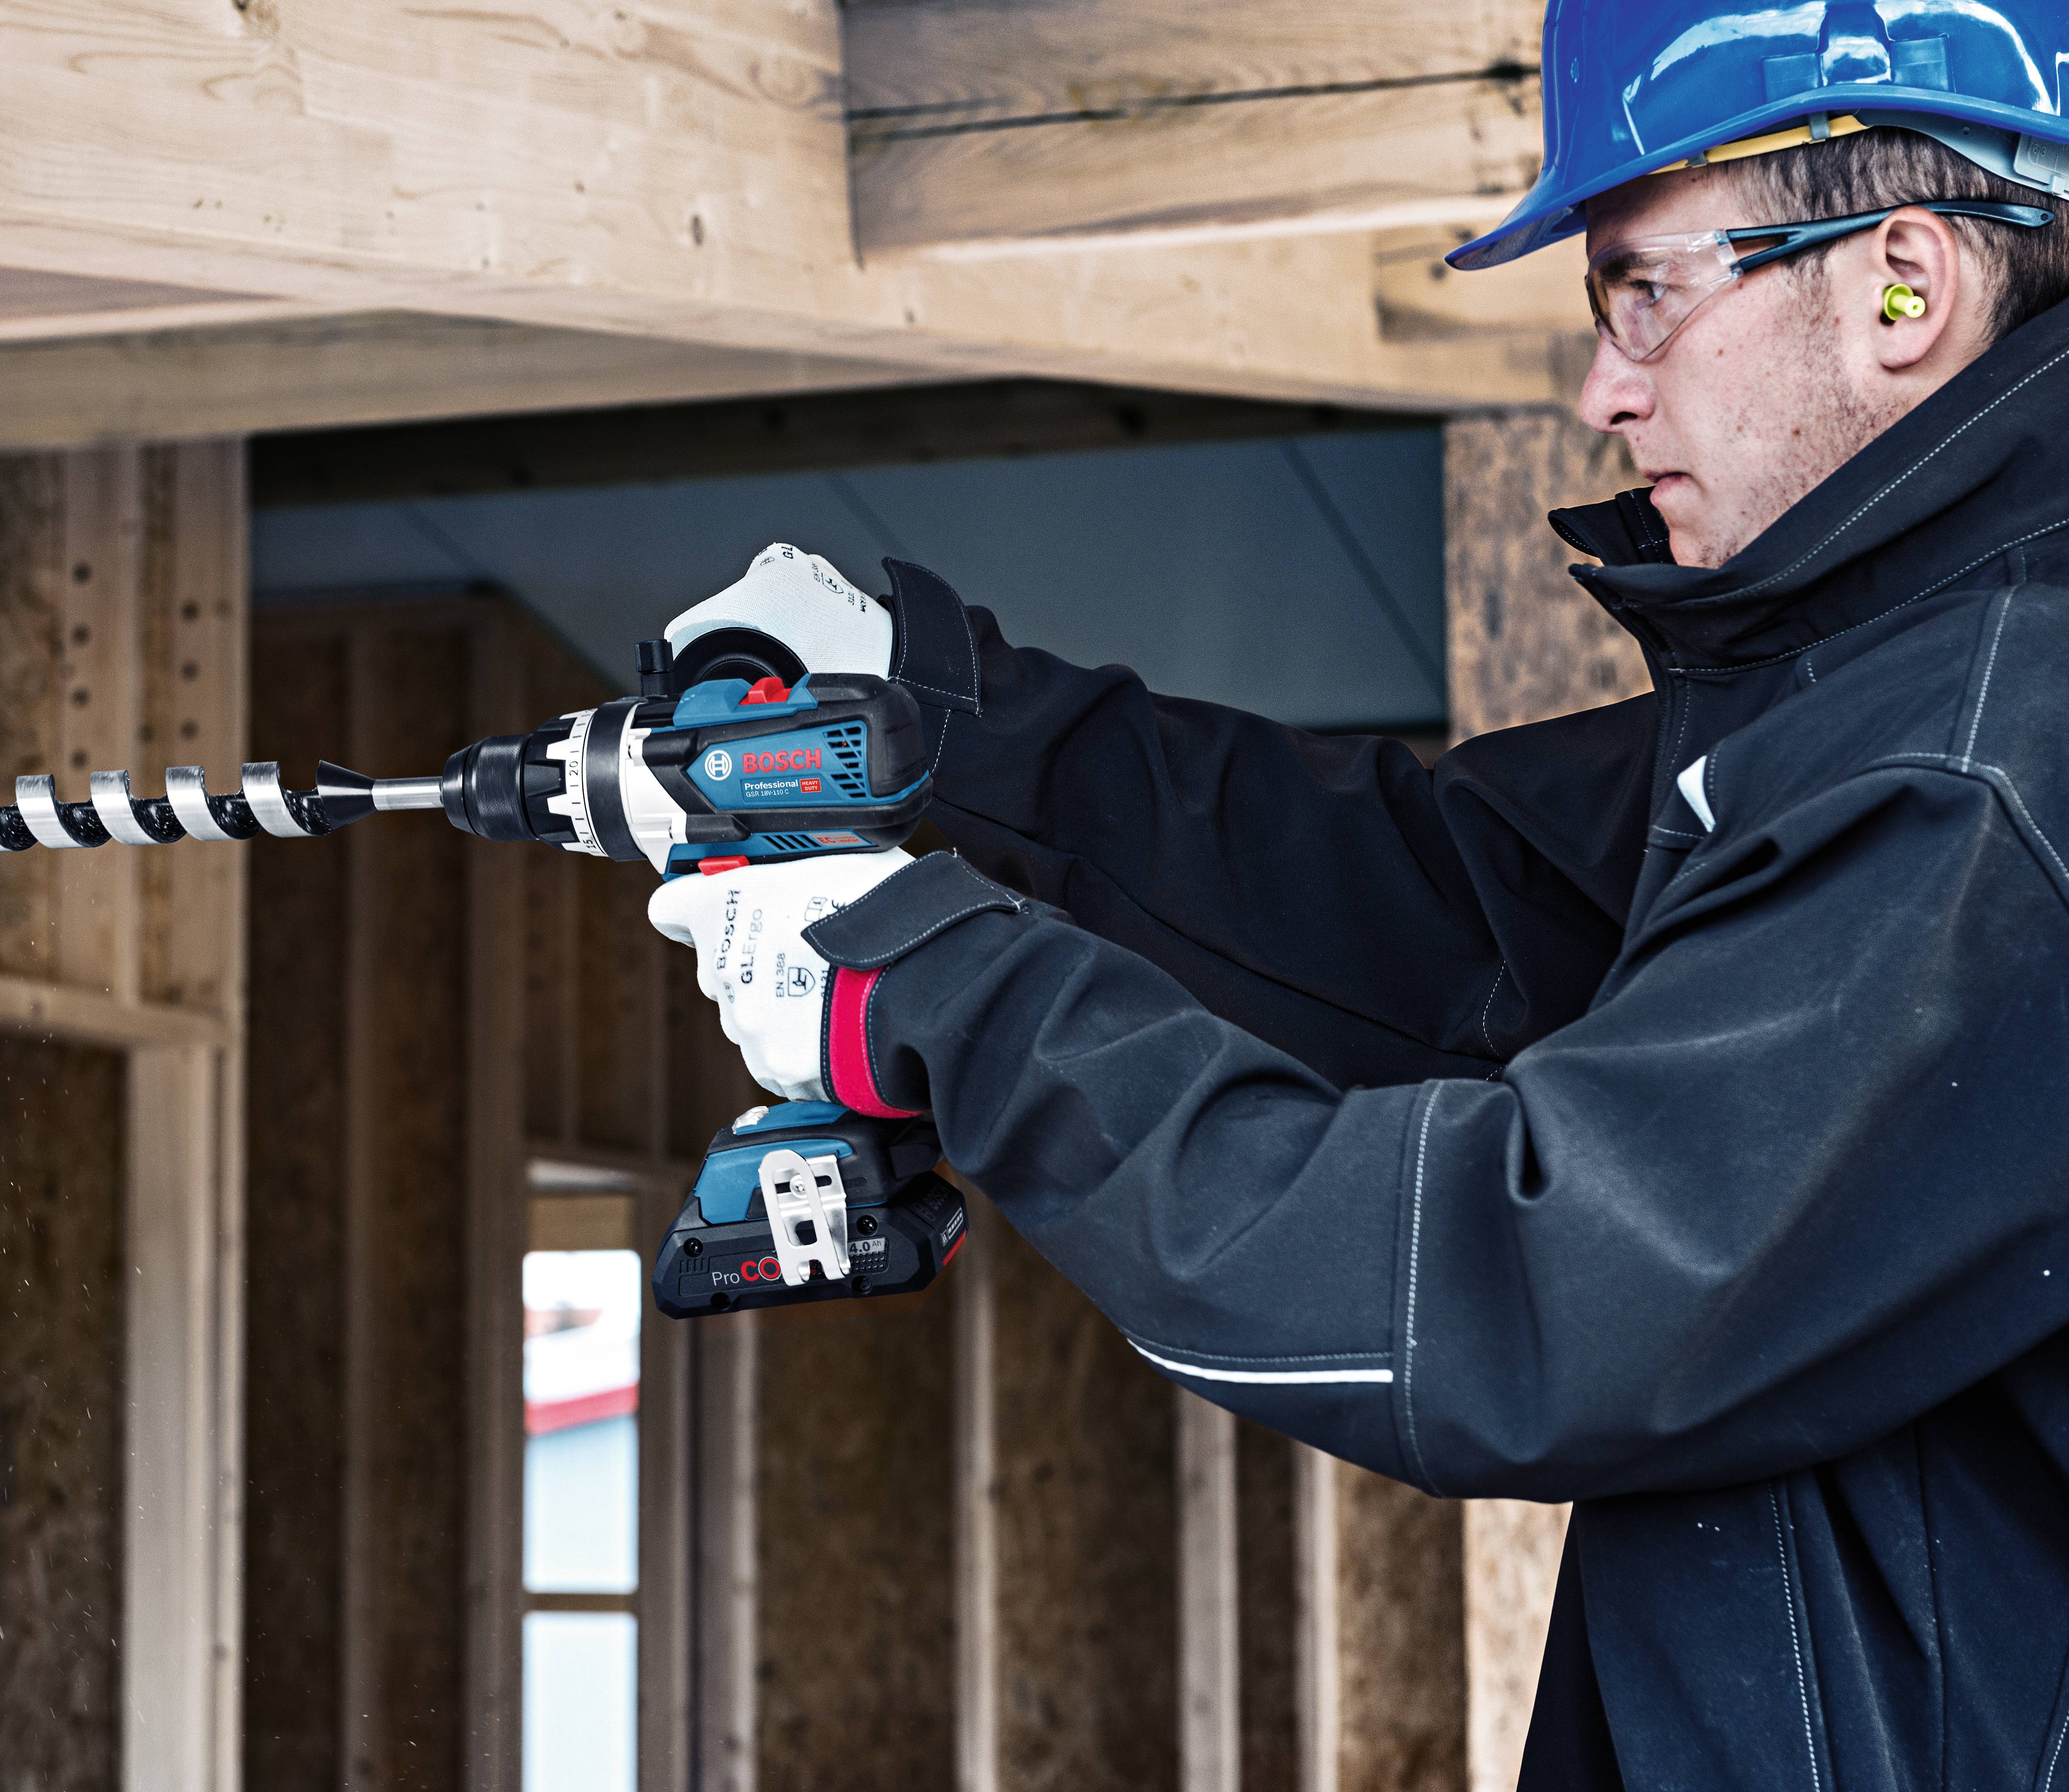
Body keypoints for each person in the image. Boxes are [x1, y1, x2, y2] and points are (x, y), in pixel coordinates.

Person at [645, 3, 2069, 1785]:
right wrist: (952, 729)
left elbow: (1533, 1284)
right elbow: (1450, 900)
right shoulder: (1887, 693)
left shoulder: (1982, 781)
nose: (1603, 388)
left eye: (1644, 293)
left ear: (1900, 286)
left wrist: (925, 992)